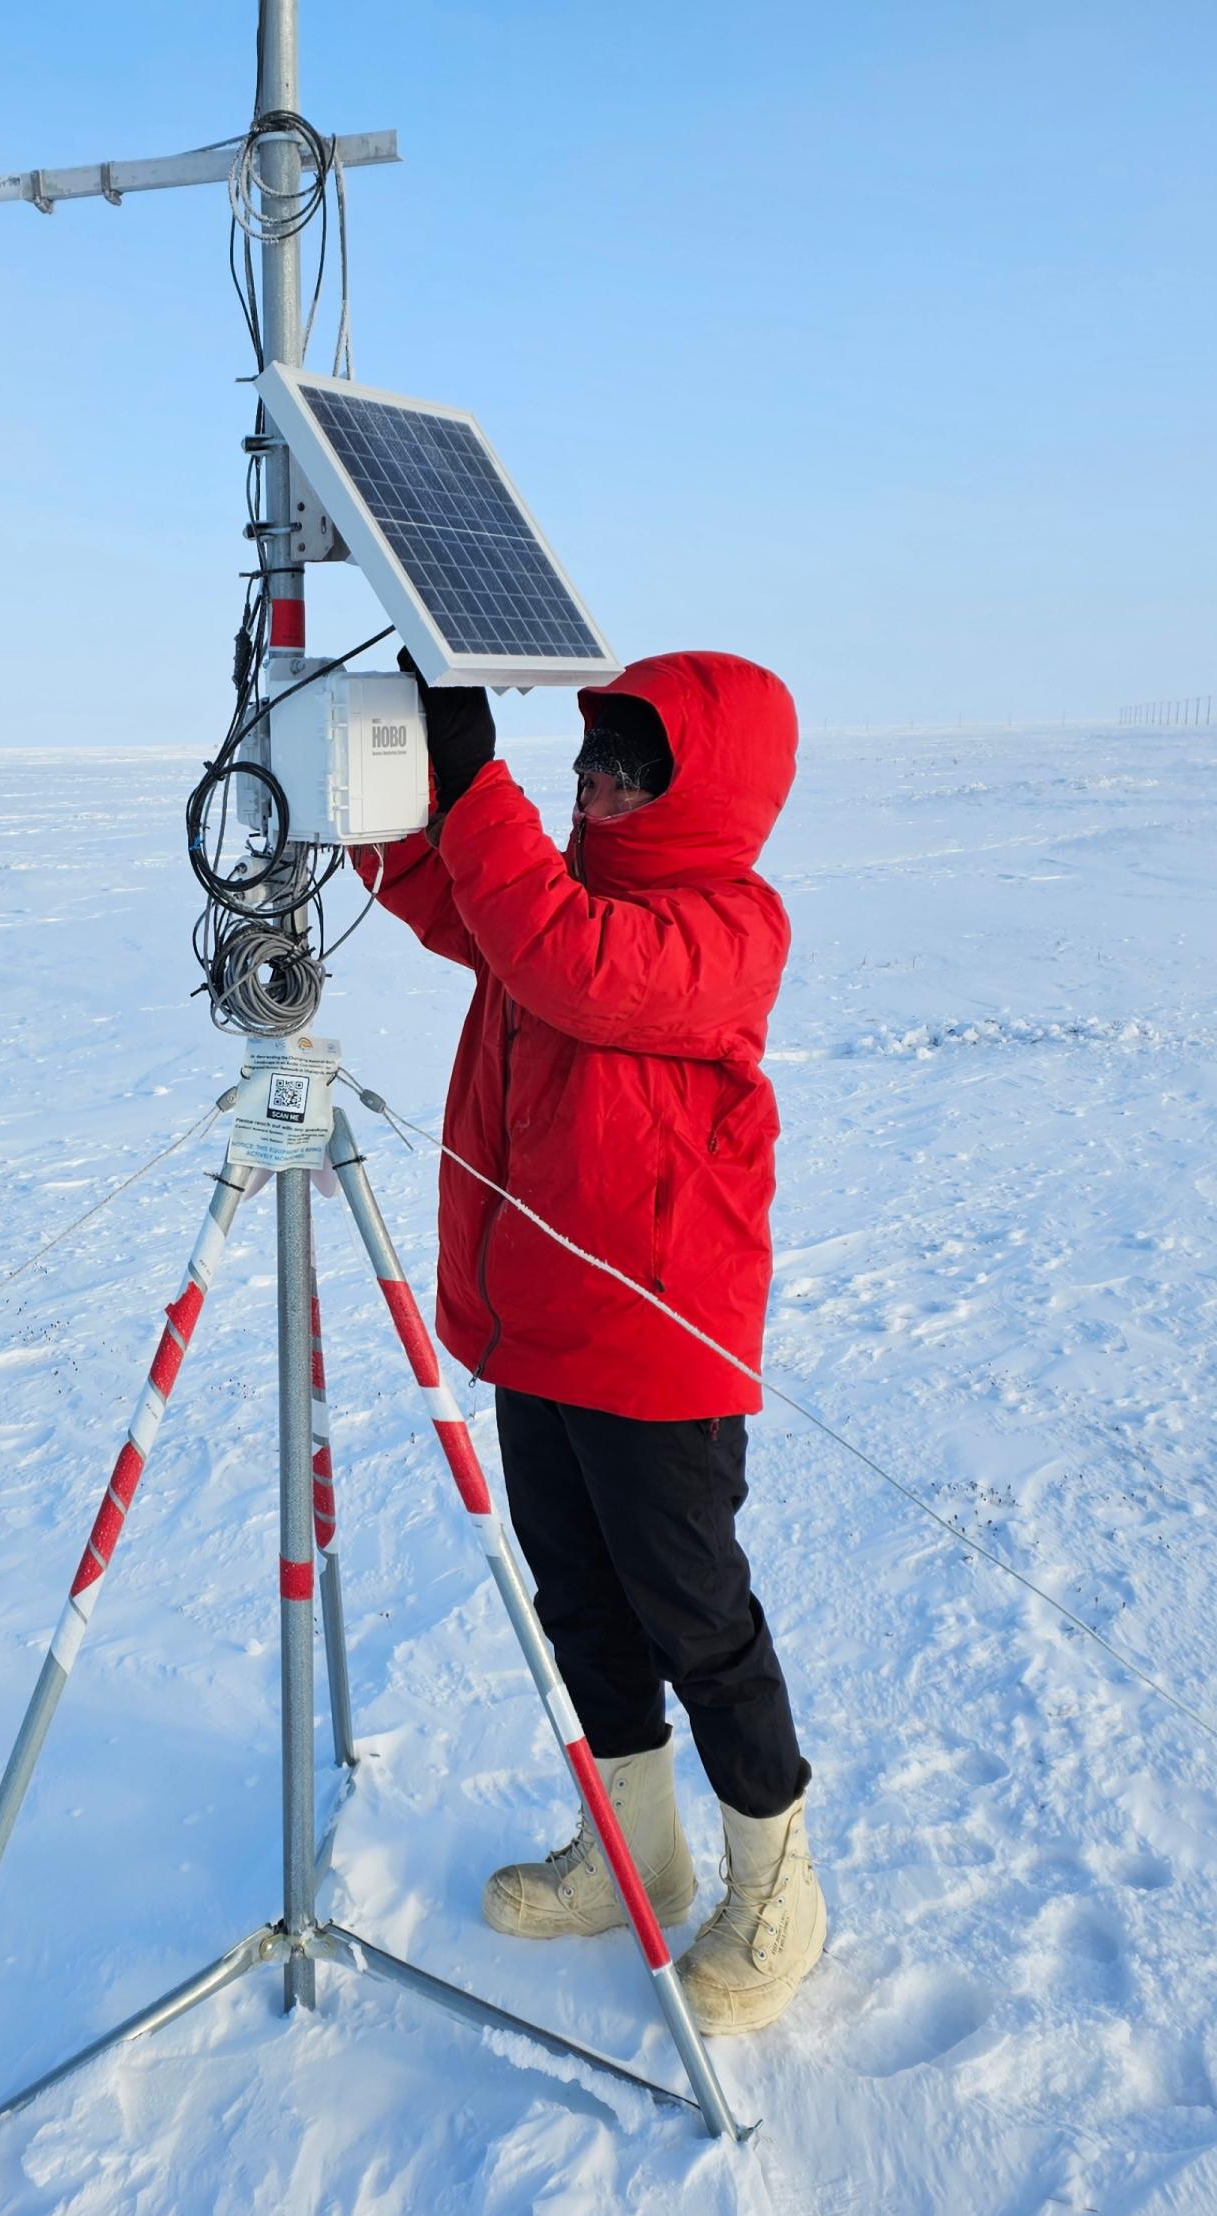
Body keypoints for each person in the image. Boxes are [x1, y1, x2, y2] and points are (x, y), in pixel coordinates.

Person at [361, 649, 826, 2036]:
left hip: (658, 1338)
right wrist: (392, 781)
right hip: (549, 1325)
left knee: (697, 1617)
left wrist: (476, 776)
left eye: (631, 764)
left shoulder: (727, 927)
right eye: (588, 758)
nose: (595, 782)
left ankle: (777, 1892)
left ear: (707, 790)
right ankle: (632, 1859)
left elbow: (571, 967)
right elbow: (450, 892)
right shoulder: (550, 897)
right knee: (581, 1604)